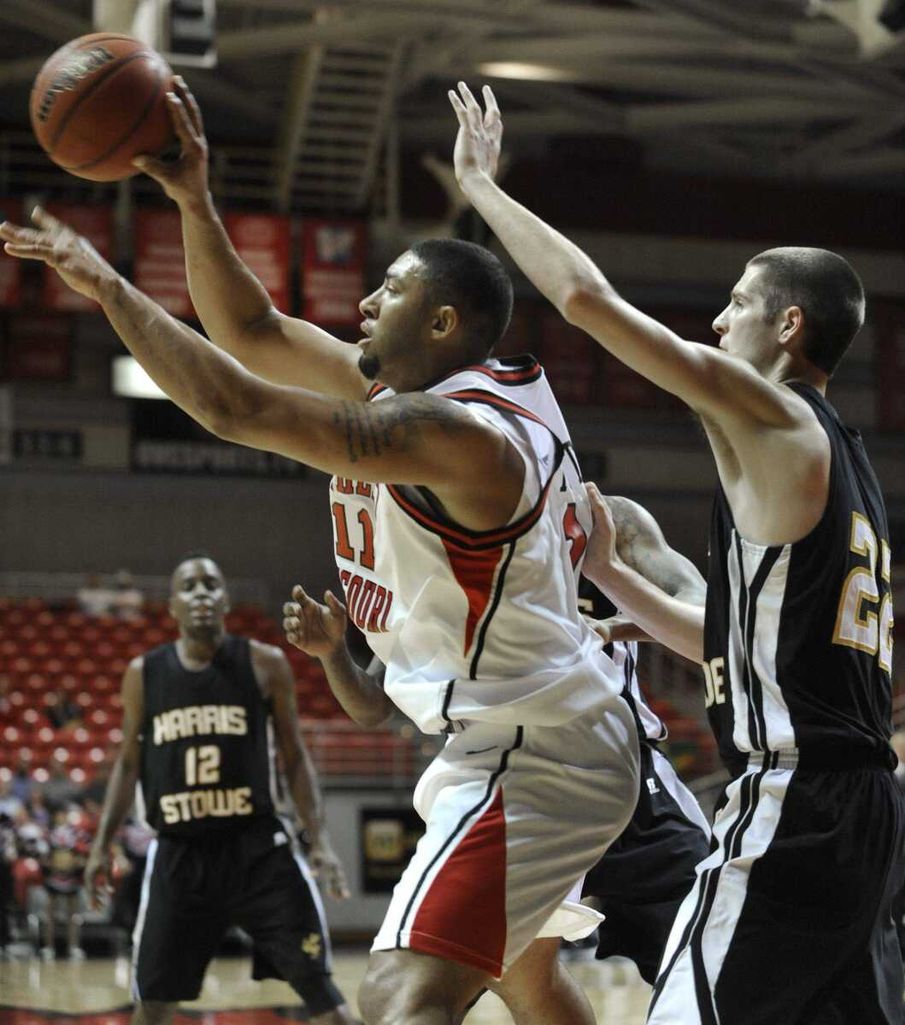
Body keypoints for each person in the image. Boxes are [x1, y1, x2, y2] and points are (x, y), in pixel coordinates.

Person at [0, 81, 640, 1025]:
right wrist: (192, 198)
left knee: (398, 996)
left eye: (392, 290)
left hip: (532, 746)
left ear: (442, 325)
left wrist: (108, 286)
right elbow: (250, 334)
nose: (366, 300)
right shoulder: (436, 392)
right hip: (534, 726)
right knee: (530, 981)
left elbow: (236, 406)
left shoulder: (460, 437)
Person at [448, 81, 902, 1024]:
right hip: (865, 816)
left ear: (788, 328)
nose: (715, 322)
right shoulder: (848, 467)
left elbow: (585, 299)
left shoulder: (772, 414)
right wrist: (615, 574)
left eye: (737, 304)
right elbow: (740, 640)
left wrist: (481, 191)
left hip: (793, 805)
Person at [284, 492, 712, 1022]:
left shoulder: (604, 519)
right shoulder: (430, 547)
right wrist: (333, 655)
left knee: (712, 960)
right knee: (526, 978)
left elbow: (705, 614)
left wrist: (615, 615)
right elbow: (374, 706)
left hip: (621, 766)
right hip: (509, 775)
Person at [82, 554, 356, 1025]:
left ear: (226, 600)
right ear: (172, 606)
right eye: (189, 587)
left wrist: (321, 843)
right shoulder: (144, 675)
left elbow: (294, 758)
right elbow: (128, 764)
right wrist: (100, 846)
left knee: (324, 999)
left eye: (211, 585)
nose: (202, 594)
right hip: (180, 856)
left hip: (258, 851)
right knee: (152, 1007)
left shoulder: (265, 663)